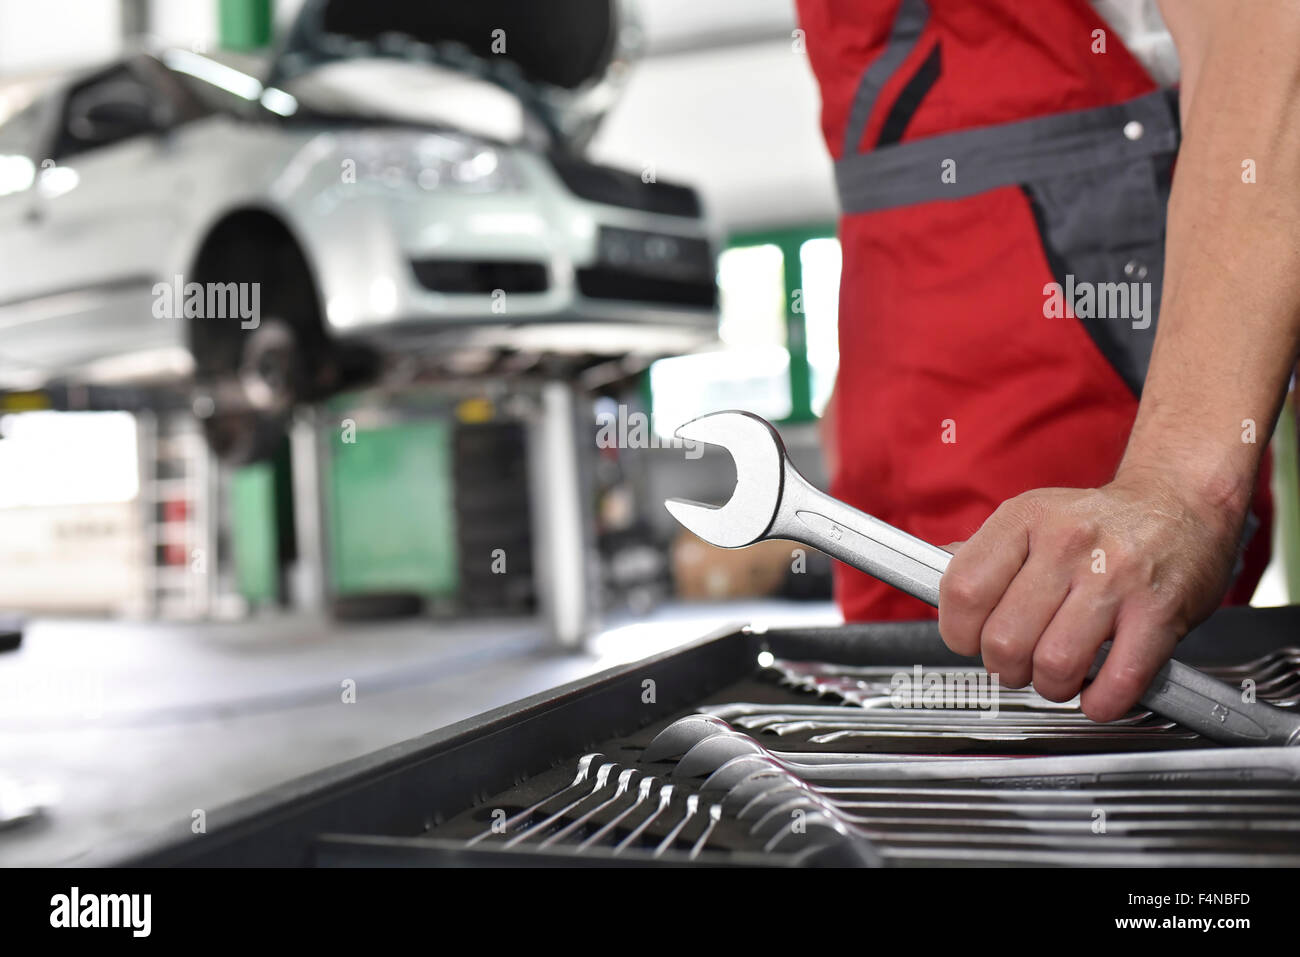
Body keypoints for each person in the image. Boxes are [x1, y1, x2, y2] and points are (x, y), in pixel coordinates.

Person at [796, 0, 1297, 720]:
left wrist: (1182, 484)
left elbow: (1267, 30)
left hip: (1069, 422)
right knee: (923, 781)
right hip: (893, 455)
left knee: (1094, 752)